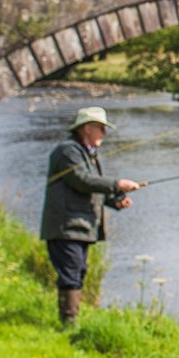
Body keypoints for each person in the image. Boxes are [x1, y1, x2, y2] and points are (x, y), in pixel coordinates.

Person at [40, 106, 143, 327]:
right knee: (71, 273)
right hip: (65, 226)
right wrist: (117, 184)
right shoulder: (67, 152)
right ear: (87, 128)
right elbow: (81, 180)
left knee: (78, 270)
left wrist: (115, 201)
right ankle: (68, 325)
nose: (104, 134)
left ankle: (69, 320)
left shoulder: (85, 153)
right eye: (101, 128)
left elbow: (89, 188)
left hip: (79, 226)